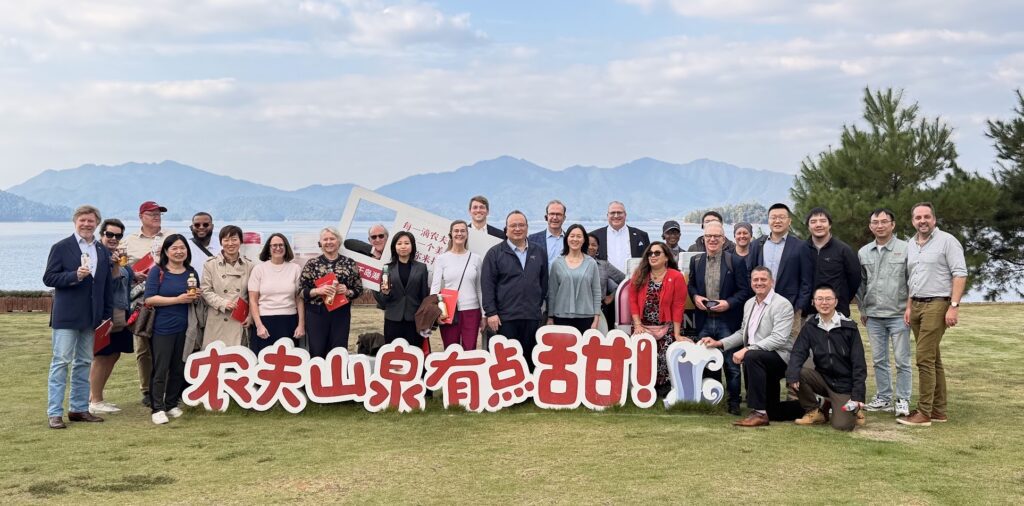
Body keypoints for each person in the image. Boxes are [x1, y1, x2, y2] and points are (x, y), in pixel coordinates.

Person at [700, 266, 803, 426]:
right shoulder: (749, 304)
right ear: (751, 283)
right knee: (773, 411)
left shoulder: (782, 305)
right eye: (756, 280)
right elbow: (743, 333)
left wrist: (747, 349)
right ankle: (811, 407)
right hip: (760, 360)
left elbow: (779, 339)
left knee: (751, 356)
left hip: (780, 358)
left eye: (763, 279)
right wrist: (720, 343)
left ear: (772, 282)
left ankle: (758, 413)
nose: (759, 283)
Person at [43, 205, 113, 429]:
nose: (86, 224)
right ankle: (55, 413)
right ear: (75, 222)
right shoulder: (61, 247)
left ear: (97, 223)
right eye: (82, 220)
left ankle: (78, 409)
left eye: (91, 221)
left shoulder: (102, 251)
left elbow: (106, 286)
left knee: (84, 363)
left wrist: (106, 316)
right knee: (61, 362)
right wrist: (74, 276)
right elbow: (49, 278)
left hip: (91, 318)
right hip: (66, 316)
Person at [898, 202, 967, 427]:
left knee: (924, 359)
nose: (922, 221)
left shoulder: (948, 241)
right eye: (918, 217)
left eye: (926, 217)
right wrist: (909, 306)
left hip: (937, 304)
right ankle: (939, 411)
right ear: (913, 221)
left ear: (934, 219)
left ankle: (924, 413)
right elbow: (912, 279)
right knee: (934, 360)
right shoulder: (911, 244)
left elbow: (959, 274)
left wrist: (953, 306)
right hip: (916, 304)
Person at [688, 222, 753, 414]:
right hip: (704, 319)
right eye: (708, 236)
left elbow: (744, 291)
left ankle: (733, 403)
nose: (712, 239)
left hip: (728, 320)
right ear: (703, 239)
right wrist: (695, 297)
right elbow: (691, 285)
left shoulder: (736, 261)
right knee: (708, 362)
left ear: (724, 240)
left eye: (717, 236)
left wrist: (729, 303)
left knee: (731, 365)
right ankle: (713, 401)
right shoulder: (696, 261)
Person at [786, 285, 868, 431]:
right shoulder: (810, 326)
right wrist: (792, 375)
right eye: (820, 299)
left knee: (842, 426)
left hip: (844, 385)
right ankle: (814, 411)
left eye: (828, 299)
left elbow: (859, 364)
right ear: (814, 302)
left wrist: (858, 395)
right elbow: (798, 352)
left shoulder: (849, 327)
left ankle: (854, 409)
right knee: (797, 372)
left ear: (836, 302)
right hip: (822, 379)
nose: (824, 303)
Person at [143, 234, 203, 425]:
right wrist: (177, 299)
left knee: (179, 367)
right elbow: (149, 299)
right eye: (174, 248)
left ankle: (171, 403)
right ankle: (157, 408)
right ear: (166, 252)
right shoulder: (157, 271)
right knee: (161, 368)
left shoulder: (191, 271)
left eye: (182, 248)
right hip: (163, 328)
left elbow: (193, 297)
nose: (179, 252)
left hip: (186, 328)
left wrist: (196, 296)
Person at [857, 208, 912, 417]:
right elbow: (860, 284)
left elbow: (912, 281)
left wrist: (909, 307)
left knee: (902, 360)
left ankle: (903, 399)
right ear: (870, 226)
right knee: (879, 359)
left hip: (899, 314)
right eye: (875, 222)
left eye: (884, 221)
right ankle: (883, 396)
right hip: (873, 316)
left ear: (893, 224)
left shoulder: (906, 249)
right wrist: (863, 309)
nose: (879, 225)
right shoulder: (863, 252)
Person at [121, 200, 173, 407]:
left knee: (168, 344)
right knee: (143, 346)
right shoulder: (129, 241)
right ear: (141, 216)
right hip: (141, 300)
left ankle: (168, 387)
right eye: (151, 213)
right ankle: (146, 389)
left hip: (168, 296)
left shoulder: (171, 236)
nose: (156, 216)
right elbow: (122, 268)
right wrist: (134, 274)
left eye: (159, 213)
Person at [481, 211, 549, 368]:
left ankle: (529, 392)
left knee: (530, 358)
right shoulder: (495, 253)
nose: (517, 228)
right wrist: (491, 312)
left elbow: (543, 282)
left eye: (521, 225)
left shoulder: (538, 252)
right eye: (513, 225)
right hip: (505, 318)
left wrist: (536, 304)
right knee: (507, 360)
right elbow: (487, 285)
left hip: (531, 316)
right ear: (506, 229)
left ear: (527, 227)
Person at [628, 241, 687, 397]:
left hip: (666, 327)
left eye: (657, 253)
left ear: (666, 257)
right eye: (650, 253)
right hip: (642, 326)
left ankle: (663, 388)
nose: (652, 256)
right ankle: (644, 387)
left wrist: (677, 334)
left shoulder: (676, 277)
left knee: (665, 355)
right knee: (645, 355)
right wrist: (638, 324)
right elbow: (632, 300)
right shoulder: (639, 274)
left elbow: (678, 306)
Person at [89, 218, 135, 415]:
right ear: (102, 235)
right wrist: (116, 266)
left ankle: (95, 395)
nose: (114, 238)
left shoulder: (117, 256)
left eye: (118, 235)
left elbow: (127, 277)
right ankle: (95, 400)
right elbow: (109, 284)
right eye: (110, 234)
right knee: (101, 355)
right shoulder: (98, 256)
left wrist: (135, 274)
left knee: (114, 354)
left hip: (121, 313)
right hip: (106, 314)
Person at [747, 203, 813, 335]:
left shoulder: (800, 246)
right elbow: (749, 273)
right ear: (768, 220)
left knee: (789, 347)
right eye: (773, 217)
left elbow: (807, 280)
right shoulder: (757, 245)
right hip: (761, 306)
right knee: (760, 344)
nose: (777, 221)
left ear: (789, 221)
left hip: (790, 307)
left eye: (782, 217)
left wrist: (799, 308)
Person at [300, 227, 363, 358]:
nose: (329, 242)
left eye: (332, 239)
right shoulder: (312, 264)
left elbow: (358, 290)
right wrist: (318, 291)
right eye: (325, 239)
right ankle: (318, 378)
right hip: (316, 314)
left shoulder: (349, 263)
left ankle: (338, 378)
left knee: (339, 352)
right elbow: (301, 291)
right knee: (317, 351)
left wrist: (347, 291)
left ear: (338, 242)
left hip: (341, 314)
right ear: (320, 243)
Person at [430, 220, 485, 350]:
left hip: (472, 310)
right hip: (448, 310)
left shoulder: (476, 259)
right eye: (456, 231)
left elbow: (479, 289)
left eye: (462, 231)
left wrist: (483, 314)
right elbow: (435, 287)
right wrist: (435, 312)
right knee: (451, 350)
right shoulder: (442, 259)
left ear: (467, 234)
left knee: (470, 349)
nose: (459, 234)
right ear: (450, 234)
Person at [248, 233, 304, 354]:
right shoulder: (259, 269)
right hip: (265, 322)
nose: (278, 248)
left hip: (289, 322)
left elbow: (299, 299)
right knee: (263, 361)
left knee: (289, 362)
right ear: (268, 248)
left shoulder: (295, 269)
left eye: (281, 245)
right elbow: (253, 300)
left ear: (286, 247)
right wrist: (259, 326)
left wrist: (301, 325)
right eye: (274, 245)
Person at [200, 225, 254, 348]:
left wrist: (250, 316)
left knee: (238, 361)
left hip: (240, 319)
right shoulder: (210, 264)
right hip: (218, 317)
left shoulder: (249, 265)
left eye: (234, 239)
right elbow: (205, 290)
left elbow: (254, 295)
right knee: (216, 359)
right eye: (226, 240)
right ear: (221, 242)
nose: (230, 243)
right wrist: (223, 303)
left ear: (241, 241)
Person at [374, 231, 430, 347]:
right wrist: (385, 293)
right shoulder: (387, 268)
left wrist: (425, 320)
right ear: (394, 247)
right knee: (393, 354)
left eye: (406, 243)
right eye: (399, 243)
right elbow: (382, 301)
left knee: (415, 354)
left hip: (414, 319)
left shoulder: (421, 268)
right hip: (393, 319)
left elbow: (424, 296)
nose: (403, 246)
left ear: (412, 246)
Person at [803, 207, 861, 318]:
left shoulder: (843, 250)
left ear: (830, 225)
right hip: (808, 311)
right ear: (808, 226)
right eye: (813, 222)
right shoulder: (802, 249)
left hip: (837, 311)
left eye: (823, 221)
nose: (818, 225)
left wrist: (839, 298)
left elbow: (855, 279)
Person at [547, 224, 602, 334]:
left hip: (586, 317)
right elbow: (552, 292)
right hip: (561, 317)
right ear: (567, 239)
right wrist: (550, 317)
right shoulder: (557, 263)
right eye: (572, 236)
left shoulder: (591, 263)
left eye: (579, 236)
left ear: (584, 240)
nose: (575, 239)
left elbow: (596, 292)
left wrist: (596, 318)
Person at [592, 201, 651, 273]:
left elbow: (648, 260)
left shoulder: (641, 236)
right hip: (604, 282)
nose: (616, 216)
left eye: (619, 212)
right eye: (612, 213)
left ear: (625, 215)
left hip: (634, 281)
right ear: (607, 215)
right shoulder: (595, 236)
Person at [587, 233, 626, 330]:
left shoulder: (604, 265)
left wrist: (612, 296)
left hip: (600, 311)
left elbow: (626, 281)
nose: (590, 247)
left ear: (598, 248)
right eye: (587, 244)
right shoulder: (573, 263)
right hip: (578, 311)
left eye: (594, 245)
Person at [528, 200, 567, 266]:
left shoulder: (570, 240)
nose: (555, 217)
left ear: (564, 218)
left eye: (558, 214)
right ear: (546, 217)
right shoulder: (532, 239)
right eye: (551, 214)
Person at [187, 212, 220, 279]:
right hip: (194, 288)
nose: (201, 227)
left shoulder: (222, 244)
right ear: (191, 227)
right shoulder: (185, 246)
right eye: (197, 225)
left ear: (212, 226)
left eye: (205, 224)